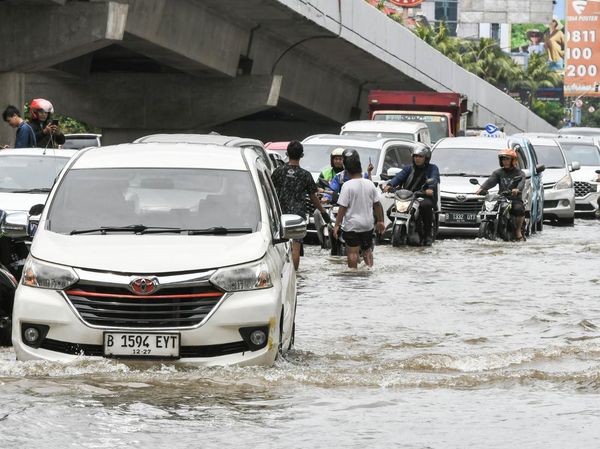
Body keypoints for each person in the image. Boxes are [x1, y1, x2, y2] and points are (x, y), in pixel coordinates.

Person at [271, 140, 330, 270]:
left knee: (280, 247)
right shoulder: (306, 175)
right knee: (296, 247)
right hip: (298, 216)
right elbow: (313, 197)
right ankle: (295, 275)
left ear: (287, 153)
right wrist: (323, 213)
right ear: (302, 155)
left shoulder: (278, 172)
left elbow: (270, 192)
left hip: (281, 215)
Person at [332, 153, 385, 269]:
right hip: (367, 225)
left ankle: (353, 274)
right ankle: (370, 270)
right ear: (360, 169)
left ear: (347, 170)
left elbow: (342, 208)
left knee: (352, 252)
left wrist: (337, 225)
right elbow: (377, 204)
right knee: (367, 250)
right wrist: (380, 221)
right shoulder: (370, 184)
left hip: (352, 225)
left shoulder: (347, 186)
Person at [383, 146, 439, 246]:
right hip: (406, 198)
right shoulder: (408, 168)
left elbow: (434, 178)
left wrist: (429, 188)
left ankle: (427, 235)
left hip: (423, 196)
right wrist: (390, 185)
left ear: (426, 158)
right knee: (389, 212)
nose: (417, 158)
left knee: (425, 206)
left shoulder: (432, 168)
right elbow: (398, 177)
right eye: (415, 156)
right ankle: (400, 226)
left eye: (420, 156)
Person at [475, 149, 526, 241]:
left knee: (519, 209)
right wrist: (482, 188)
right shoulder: (498, 172)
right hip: (501, 198)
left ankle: (518, 231)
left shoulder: (519, 173)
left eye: (507, 159)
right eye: (503, 159)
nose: (505, 161)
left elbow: (521, 184)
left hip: (514, 199)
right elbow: (491, 181)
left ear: (513, 160)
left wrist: (517, 190)